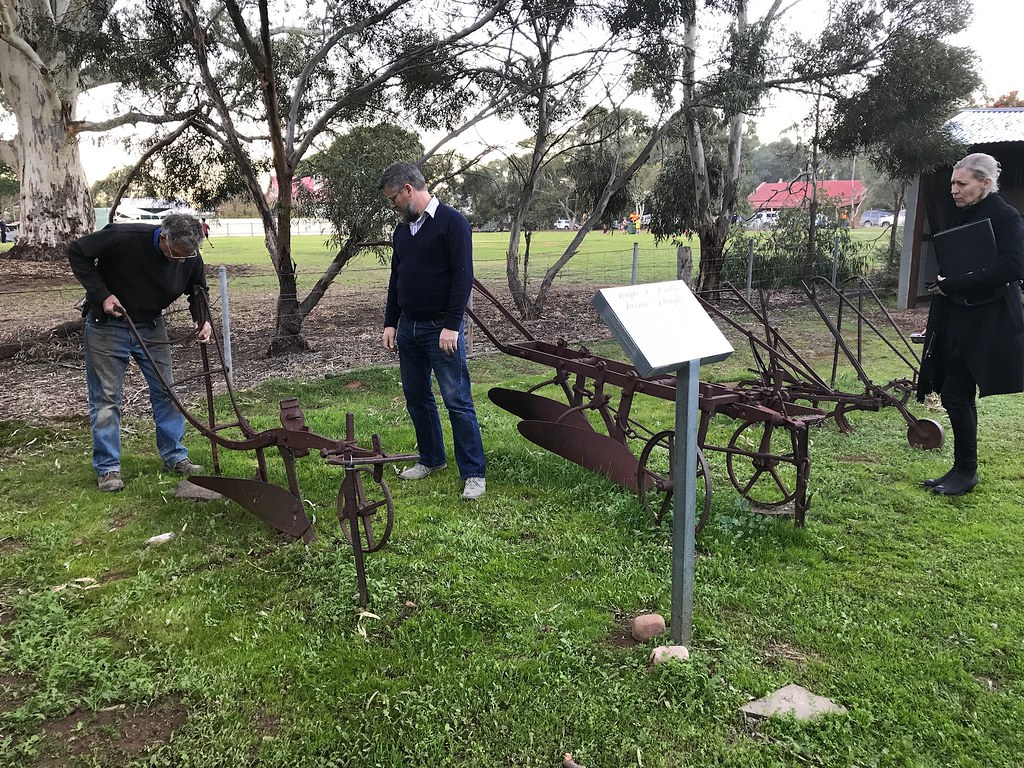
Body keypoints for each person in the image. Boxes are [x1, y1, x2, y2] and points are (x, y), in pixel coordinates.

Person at [68, 212, 213, 492]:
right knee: (106, 398)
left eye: (186, 257)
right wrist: (101, 293)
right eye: (175, 255)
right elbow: (77, 252)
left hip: (151, 324)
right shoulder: (122, 237)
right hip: (107, 325)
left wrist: (202, 319)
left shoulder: (190, 256)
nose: (179, 261)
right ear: (163, 237)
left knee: (166, 390)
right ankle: (108, 468)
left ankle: (175, 456)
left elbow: (197, 289)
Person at [916, 153, 1024, 496]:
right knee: (955, 393)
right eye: (952, 183)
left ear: (986, 183)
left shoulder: (1006, 217)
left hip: (987, 318)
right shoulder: (964, 213)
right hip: (958, 314)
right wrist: (945, 280)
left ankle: (966, 471)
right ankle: (962, 469)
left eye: (961, 183)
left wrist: (954, 283)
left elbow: (1013, 266)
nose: (954, 190)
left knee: (956, 393)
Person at [379, 161, 486, 500]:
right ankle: (432, 459)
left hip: (442, 328)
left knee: (457, 400)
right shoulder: (402, 230)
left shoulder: (452, 223)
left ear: (409, 190)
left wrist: (452, 326)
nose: (392, 204)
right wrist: (391, 321)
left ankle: (473, 473)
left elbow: (462, 277)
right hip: (409, 328)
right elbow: (397, 279)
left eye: (393, 198)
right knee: (417, 398)